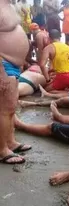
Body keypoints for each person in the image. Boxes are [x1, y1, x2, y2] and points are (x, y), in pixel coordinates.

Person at [0, 0, 32, 164]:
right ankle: (2, 149)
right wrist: (1, 73)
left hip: (12, 64)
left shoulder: (9, 5)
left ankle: (10, 142)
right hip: (3, 64)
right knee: (5, 110)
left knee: (11, 108)